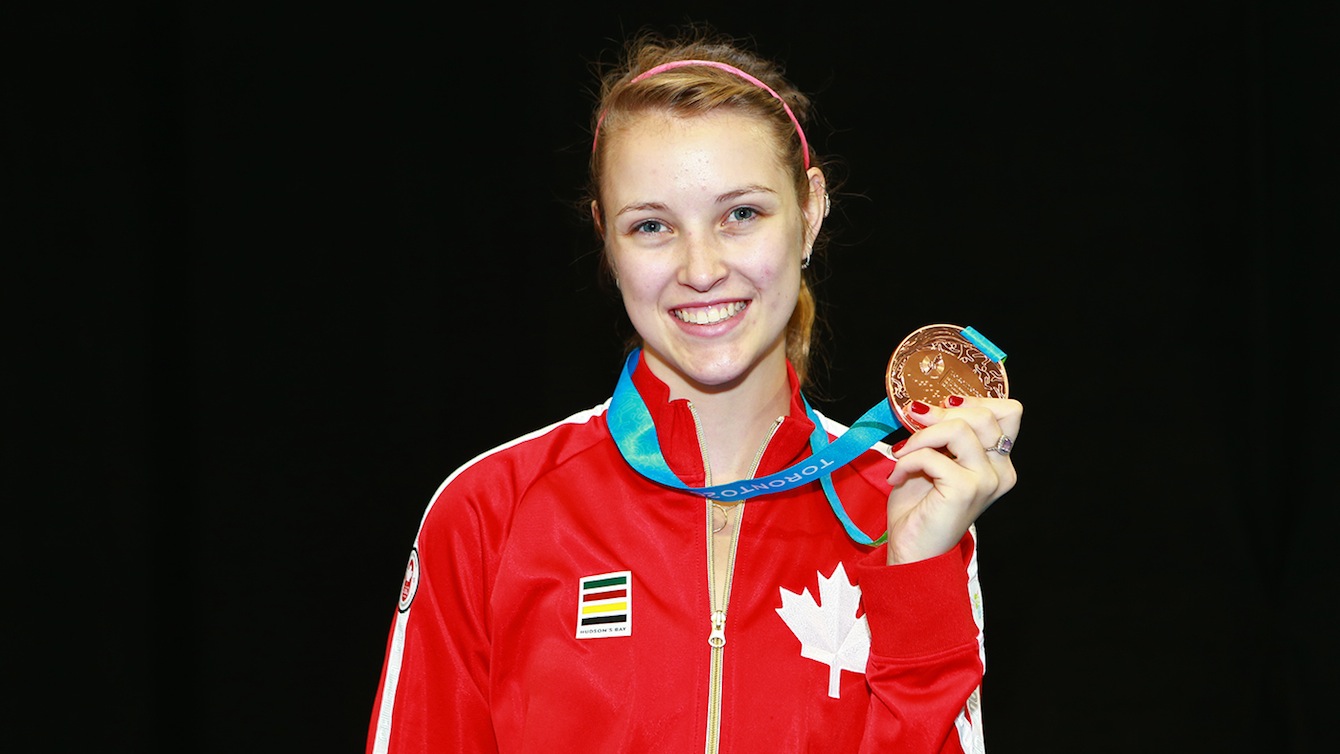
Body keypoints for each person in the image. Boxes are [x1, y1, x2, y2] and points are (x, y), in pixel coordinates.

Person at [366, 26, 1022, 754]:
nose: (701, 269)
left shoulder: (903, 504)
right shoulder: (492, 511)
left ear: (810, 211)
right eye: (652, 226)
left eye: (741, 214)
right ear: (605, 237)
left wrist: (918, 577)